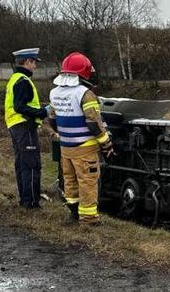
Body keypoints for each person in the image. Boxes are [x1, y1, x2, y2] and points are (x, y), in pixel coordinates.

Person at [48, 52, 114, 225]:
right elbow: (94, 123)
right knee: (87, 181)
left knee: (70, 180)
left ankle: (74, 213)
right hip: (85, 147)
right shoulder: (85, 94)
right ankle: (89, 218)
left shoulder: (54, 92)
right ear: (84, 72)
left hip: (66, 147)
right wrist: (106, 142)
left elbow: (52, 120)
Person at [4, 48, 49, 209]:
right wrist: (43, 112)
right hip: (25, 126)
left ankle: (25, 199)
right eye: (34, 62)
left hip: (16, 126)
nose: (35, 66)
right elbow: (20, 106)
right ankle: (31, 202)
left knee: (22, 164)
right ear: (27, 61)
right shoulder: (23, 81)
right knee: (31, 164)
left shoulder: (15, 78)